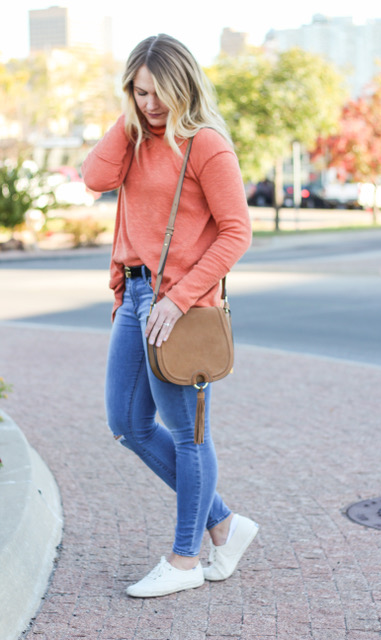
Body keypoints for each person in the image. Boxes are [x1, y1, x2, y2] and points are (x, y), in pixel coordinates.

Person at [82, 33, 258, 598]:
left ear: (184, 87)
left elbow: (236, 232)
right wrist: (127, 118)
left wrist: (179, 298)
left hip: (181, 304)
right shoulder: (134, 137)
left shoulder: (206, 144)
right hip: (134, 295)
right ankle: (225, 524)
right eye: (139, 92)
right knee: (127, 423)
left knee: (188, 434)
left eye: (159, 93)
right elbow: (94, 178)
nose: (150, 104)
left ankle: (186, 561)